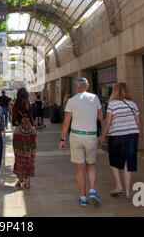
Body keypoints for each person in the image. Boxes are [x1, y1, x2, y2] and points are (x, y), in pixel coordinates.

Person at [59, 77, 103, 207]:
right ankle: (92, 190)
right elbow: (100, 117)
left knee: (80, 167)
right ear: (87, 86)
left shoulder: (71, 101)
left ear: (76, 88)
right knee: (91, 164)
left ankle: (83, 196)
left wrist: (62, 139)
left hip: (76, 135)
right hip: (91, 135)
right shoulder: (95, 98)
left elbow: (66, 122)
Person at [100, 83, 142, 200]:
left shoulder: (112, 104)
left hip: (116, 136)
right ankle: (128, 191)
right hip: (131, 136)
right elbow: (138, 121)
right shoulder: (133, 104)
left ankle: (119, 186)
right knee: (128, 162)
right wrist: (140, 135)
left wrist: (103, 136)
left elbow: (108, 122)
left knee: (114, 160)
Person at [12, 88, 37, 190]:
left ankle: (20, 178)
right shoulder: (30, 105)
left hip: (19, 135)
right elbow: (33, 120)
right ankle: (27, 181)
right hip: (31, 135)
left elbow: (13, 122)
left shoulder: (15, 106)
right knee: (29, 157)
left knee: (19, 157)